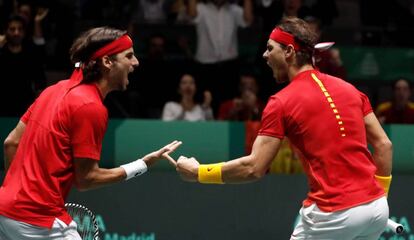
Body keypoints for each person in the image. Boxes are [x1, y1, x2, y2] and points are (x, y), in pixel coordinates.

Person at [176, 17, 392, 239]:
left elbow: (254, 167)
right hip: (376, 209)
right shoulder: (351, 90)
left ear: (288, 52)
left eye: (270, 48)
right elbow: (384, 145)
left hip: (332, 214)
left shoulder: (281, 102)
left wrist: (198, 172)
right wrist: (379, 197)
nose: (265, 55)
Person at [0, 27, 182, 239]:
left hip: (5, 211)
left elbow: (11, 142)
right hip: (38, 221)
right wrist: (142, 164)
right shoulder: (90, 106)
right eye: (129, 56)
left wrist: (21, 192)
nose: (136, 63)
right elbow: (86, 179)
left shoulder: (54, 90)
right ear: (107, 62)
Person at [0, 15, 46, 117]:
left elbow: (40, 84)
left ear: (24, 32)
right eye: (12, 29)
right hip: (2, 109)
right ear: (5, 31)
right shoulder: (1, 53)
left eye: (20, 29)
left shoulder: (31, 54)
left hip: (24, 111)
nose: (16, 33)